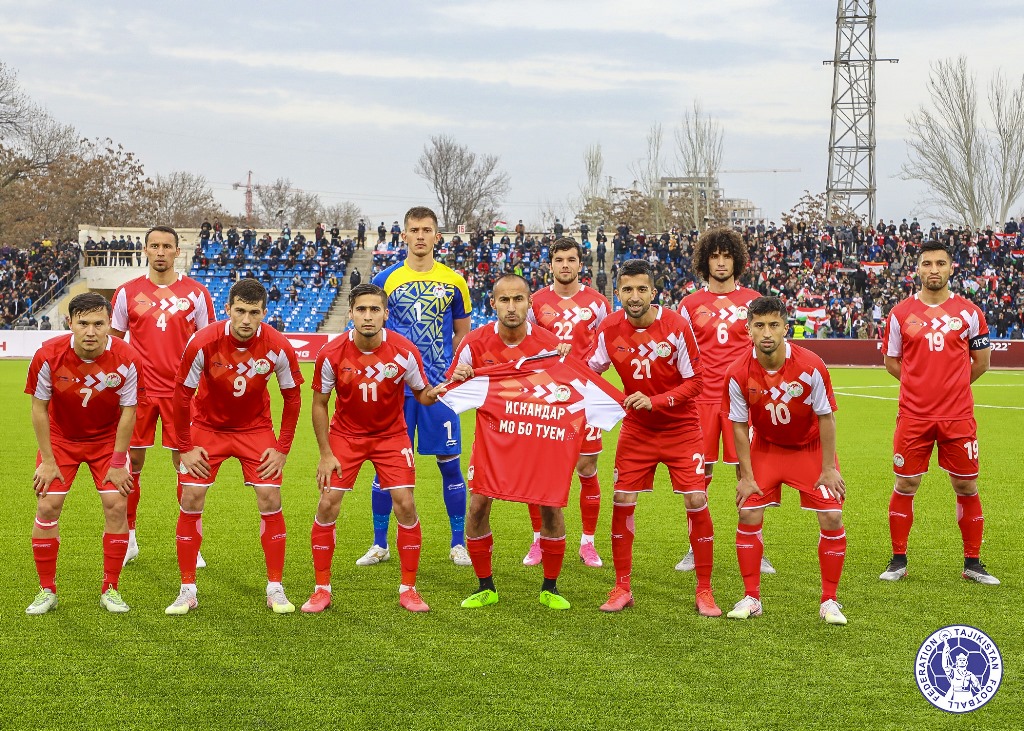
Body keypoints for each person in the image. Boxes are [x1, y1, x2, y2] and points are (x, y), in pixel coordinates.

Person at [441, 276, 624, 610]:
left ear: (530, 303)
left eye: (519, 299)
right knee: (478, 506)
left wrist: (618, 402)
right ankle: (485, 586)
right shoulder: (474, 343)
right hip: (494, 441)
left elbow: (572, 386)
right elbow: (447, 391)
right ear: (493, 303)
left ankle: (550, 588)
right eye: (505, 300)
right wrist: (459, 377)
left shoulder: (549, 346)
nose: (512, 307)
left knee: (551, 507)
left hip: (540, 439)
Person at [588, 258, 720, 616]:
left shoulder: (676, 326)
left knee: (696, 498)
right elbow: (589, 373)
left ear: (653, 292)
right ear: (618, 293)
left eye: (641, 289)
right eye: (627, 289)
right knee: (622, 498)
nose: (635, 296)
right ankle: (622, 587)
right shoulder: (609, 328)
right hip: (637, 430)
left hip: (681, 428)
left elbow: (696, 381)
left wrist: (656, 401)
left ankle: (705, 590)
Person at [304, 284, 445, 614]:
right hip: (345, 436)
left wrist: (434, 393)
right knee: (327, 504)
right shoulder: (331, 353)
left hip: (391, 436)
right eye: (361, 309)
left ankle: (409, 589)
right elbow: (320, 403)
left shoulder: (404, 351)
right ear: (350, 313)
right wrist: (325, 454)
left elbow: (421, 393)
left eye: (374, 310)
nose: (368, 316)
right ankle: (321, 588)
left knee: (405, 504)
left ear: (385, 314)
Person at [166, 278, 304, 615]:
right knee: (190, 497)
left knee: (270, 497)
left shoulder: (277, 345)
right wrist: (185, 446)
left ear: (264, 313)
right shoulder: (203, 341)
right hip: (207, 428)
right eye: (240, 311)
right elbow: (181, 396)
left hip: (255, 429)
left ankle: (275, 587)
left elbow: (292, 397)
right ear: (227, 309)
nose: (246, 319)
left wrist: (282, 448)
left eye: (253, 313)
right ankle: (187, 589)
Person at [722, 296, 849, 625]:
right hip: (767, 448)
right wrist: (746, 476)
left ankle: (829, 601)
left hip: (809, 448)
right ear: (748, 329)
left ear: (785, 328)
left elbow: (826, 417)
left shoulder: (811, 365)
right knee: (748, 511)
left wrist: (829, 468)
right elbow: (739, 426)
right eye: (759, 325)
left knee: (832, 517)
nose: (767, 333)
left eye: (773, 325)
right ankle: (752, 598)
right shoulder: (737, 372)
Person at [880, 241, 998, 585]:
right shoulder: (900, 313)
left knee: (966, 484)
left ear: (951, 268)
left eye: (940, 263)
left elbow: (982, 362)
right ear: (918, 268)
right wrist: (920, 386)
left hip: (957, 416)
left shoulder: (970, 313)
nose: (934, 269)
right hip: (913, 415)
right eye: (927, 263)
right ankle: (898, 560)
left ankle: (972, 563)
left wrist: (952, 387)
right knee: (906, 483)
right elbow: (891, 361)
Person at [364, 207, 473, 567]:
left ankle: (458, 543)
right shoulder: (385, 279)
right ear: (405, 235)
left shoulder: (454, 281)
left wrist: (453, 372)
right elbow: (374, 331)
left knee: (449, 465)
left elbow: (462, 333)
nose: (421, 236)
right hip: (395, 390)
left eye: (427, 230)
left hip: (440, 388)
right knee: (386, 468)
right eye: (415, 230)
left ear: (437, 236)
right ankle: (380, 544)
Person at [25, 292, 144, 615]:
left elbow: (129, 412)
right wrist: (48, 460)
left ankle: (111, 588)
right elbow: (39, 409)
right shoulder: (48, 355)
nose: (91, 331)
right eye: (83, 323)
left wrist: (118, 463)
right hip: (60, 440)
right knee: (47, 505)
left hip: (106, 441)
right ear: (70, 323)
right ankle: (46, 590)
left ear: (109, 324)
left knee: (116, 505)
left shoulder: (127, 358)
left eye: (99, 324)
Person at [111, 225, 216, 565]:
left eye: (166, 246)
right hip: (138, 392)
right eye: (154, 246)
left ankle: (191, 542)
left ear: (177, 251)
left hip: (181, 393)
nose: (160, 252)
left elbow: (209, 344)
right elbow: (113, 344)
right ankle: (129, 538)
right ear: (145, 250)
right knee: (132, 463)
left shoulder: (196, 293)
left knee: (186, 463)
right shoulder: (127, 293)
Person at [676, 227, 775, 575]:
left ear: (737, 260)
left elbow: (767, 347)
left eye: (727, 256)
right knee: (698, 475)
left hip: (742, 400)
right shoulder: (688, 305)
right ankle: (695, 546)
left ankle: (756, 546)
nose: (720, 262)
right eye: (714, 256)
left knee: (748, 471)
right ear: (705, 261)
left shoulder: (754, 300)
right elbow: (680, 353)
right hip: (700, 400)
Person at [525, 238, 611, 567]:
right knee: (538, 471)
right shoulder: (535, 302)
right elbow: (526, 345)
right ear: (550, 265)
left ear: (580, 264)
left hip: (584, 396)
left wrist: (590, 376)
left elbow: (606, 345)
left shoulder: (598, 303)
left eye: (571, 259)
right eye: (559, 259)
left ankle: (588, 543)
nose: (565, 265)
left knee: (587, 468)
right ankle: (538, 540)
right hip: (545, 397)